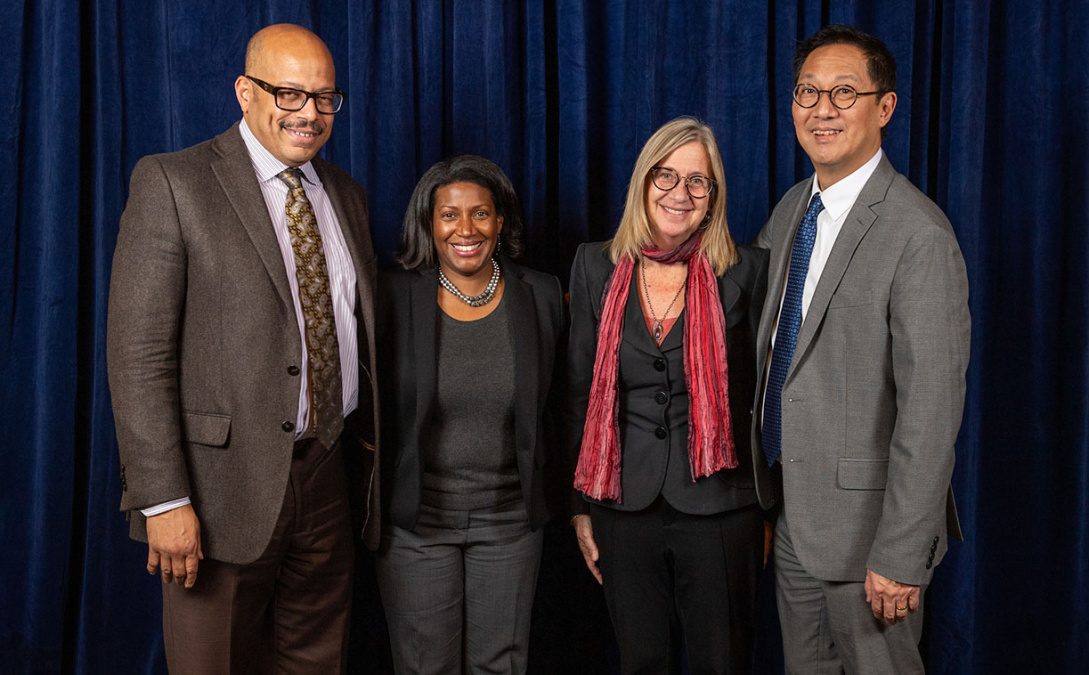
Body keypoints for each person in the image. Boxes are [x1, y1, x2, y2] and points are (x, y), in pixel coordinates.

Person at [106, 24, 380, 673]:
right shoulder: (174, 182)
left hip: (324, 475)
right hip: (215, 490)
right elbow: (138, 355)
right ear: (244, 91)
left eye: (324, 97)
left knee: (317, 658)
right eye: (289, 93)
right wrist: (163, 499)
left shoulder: (345, 194)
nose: (309, 113)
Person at [751, 24, 971, 674]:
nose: (821, 108)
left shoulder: (917, 235)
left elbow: (930, 408)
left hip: (869, 533)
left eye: (843, 92)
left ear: (884, 107)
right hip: (793, 512)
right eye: (807, 92)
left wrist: (901, 552)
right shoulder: (795, 206)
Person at [567, 116, 769, 674]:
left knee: (720, 663)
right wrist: (581, 508)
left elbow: (765, 397)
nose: (680, 193)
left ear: (714, 195)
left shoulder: (749, 271)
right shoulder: (594, 265)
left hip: (722, 504)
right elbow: (580, 393)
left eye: (697, 181)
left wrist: (770, 505)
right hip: (621, 503)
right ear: (642, 182)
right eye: (666, 176)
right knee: (642, 662)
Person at [374, 155, 565, 674]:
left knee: (499, 666)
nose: (466, 229)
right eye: (449, 215)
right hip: (418, 525)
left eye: (480, 214)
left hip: (510, 523)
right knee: (423, 666)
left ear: (500, 222)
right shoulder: (392, 296)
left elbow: (563, 407)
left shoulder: (541, 295)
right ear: (429, 224)